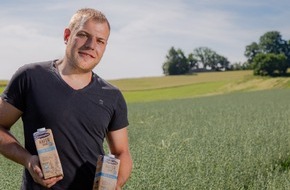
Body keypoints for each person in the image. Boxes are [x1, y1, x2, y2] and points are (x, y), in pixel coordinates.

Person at [0, 8, 132, 190]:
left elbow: (121, 152)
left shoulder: (112, 96)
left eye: (100, 41)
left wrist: (115, 183)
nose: (91, 45)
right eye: (84, 35)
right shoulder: (30, 77)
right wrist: (28, 160)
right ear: (67, 35)